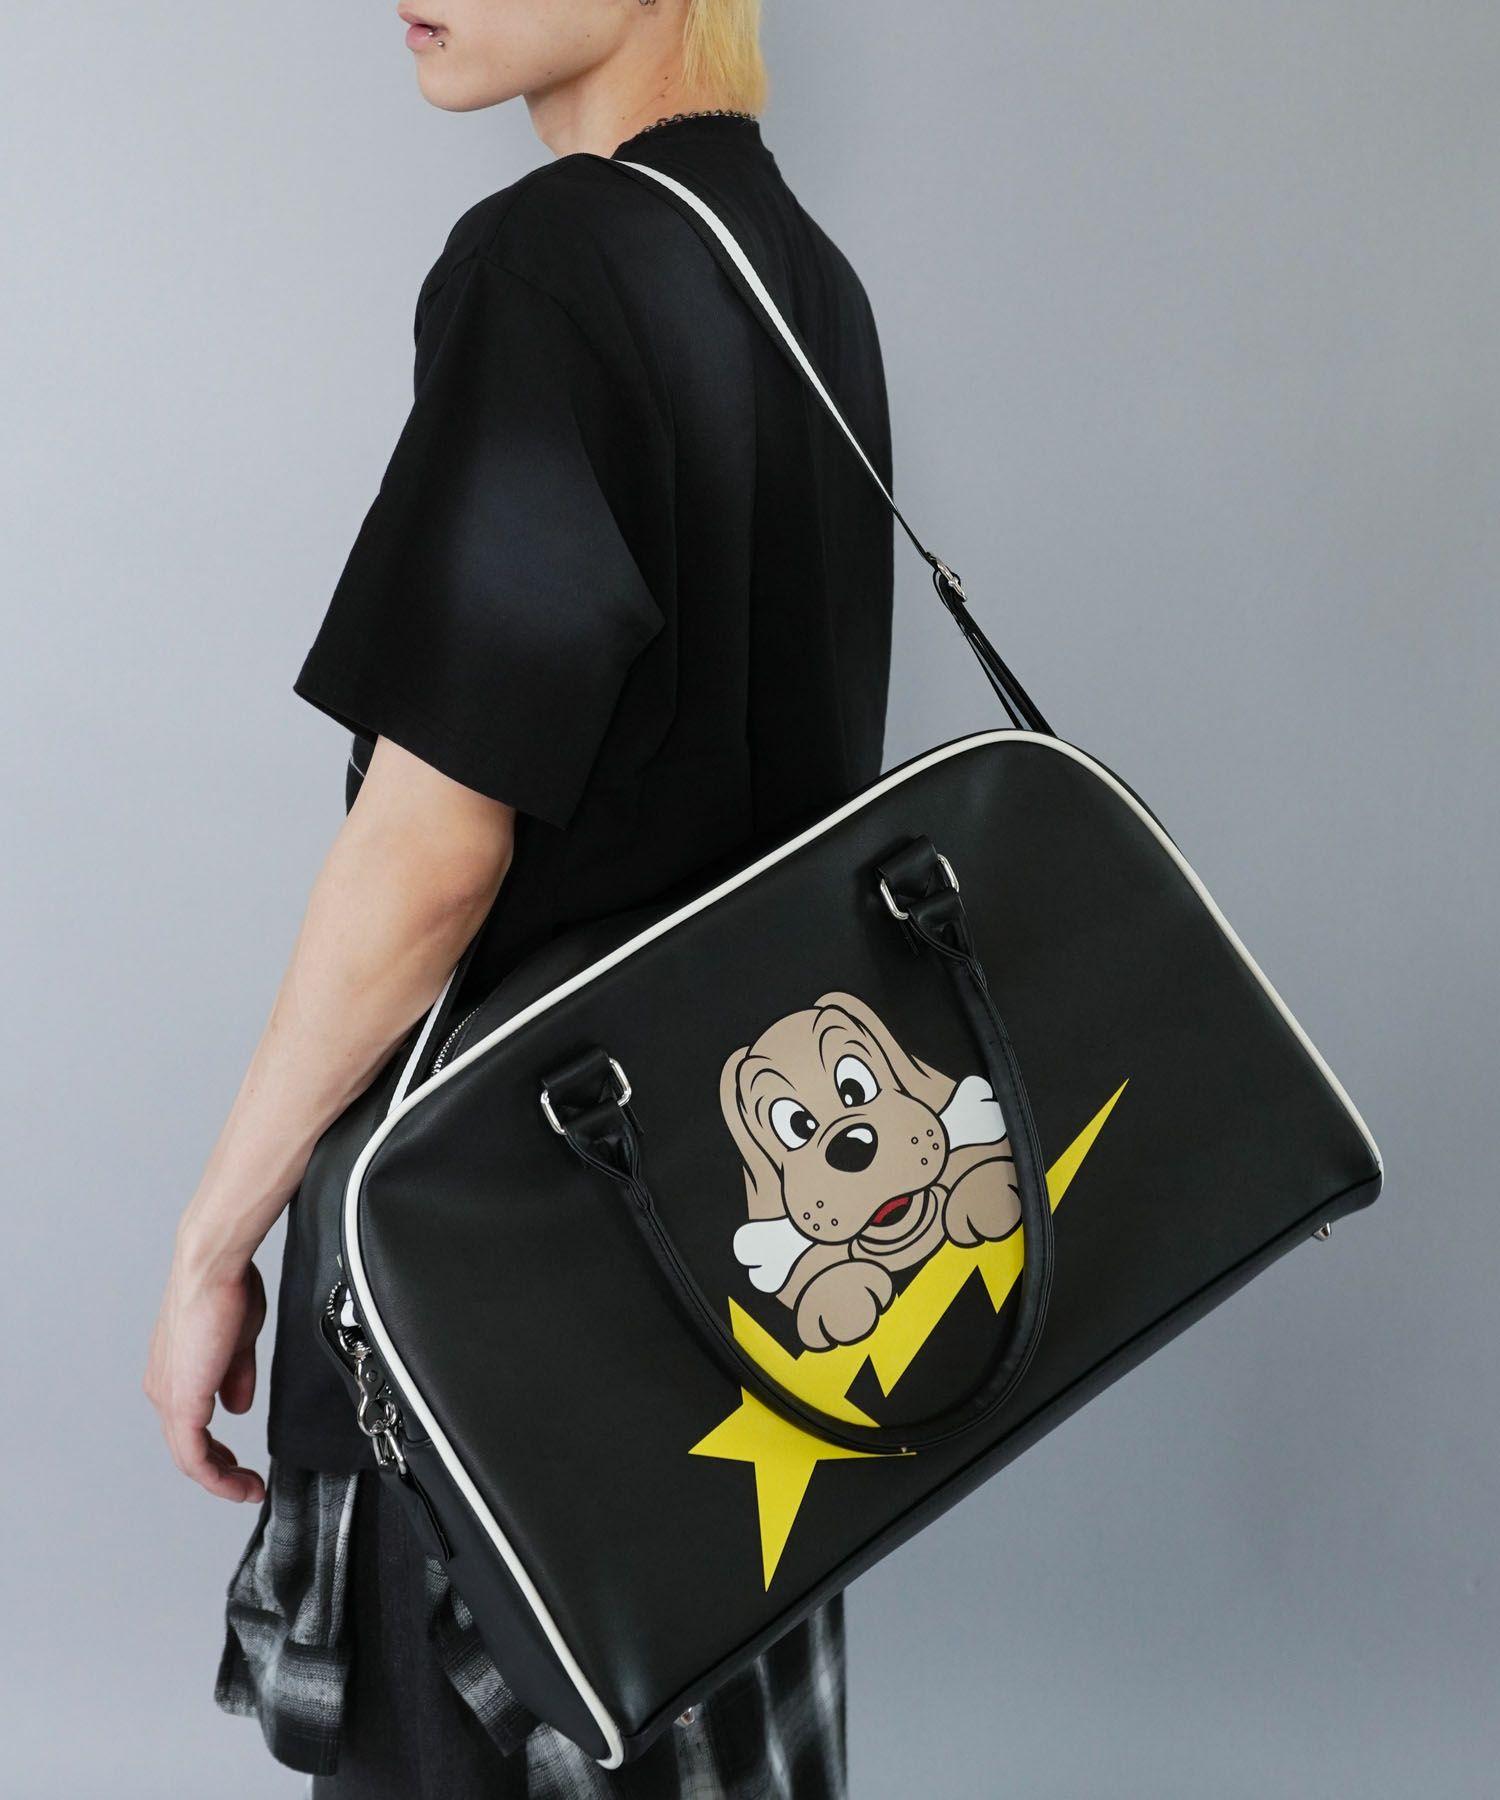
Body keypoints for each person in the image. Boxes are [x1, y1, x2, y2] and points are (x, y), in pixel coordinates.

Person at [143, 1, 894, 1793]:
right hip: (744, 1295)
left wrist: (211, 1240)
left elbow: (433, 849)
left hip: (494, 1291)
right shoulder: (807, 278)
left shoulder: (553, 264)